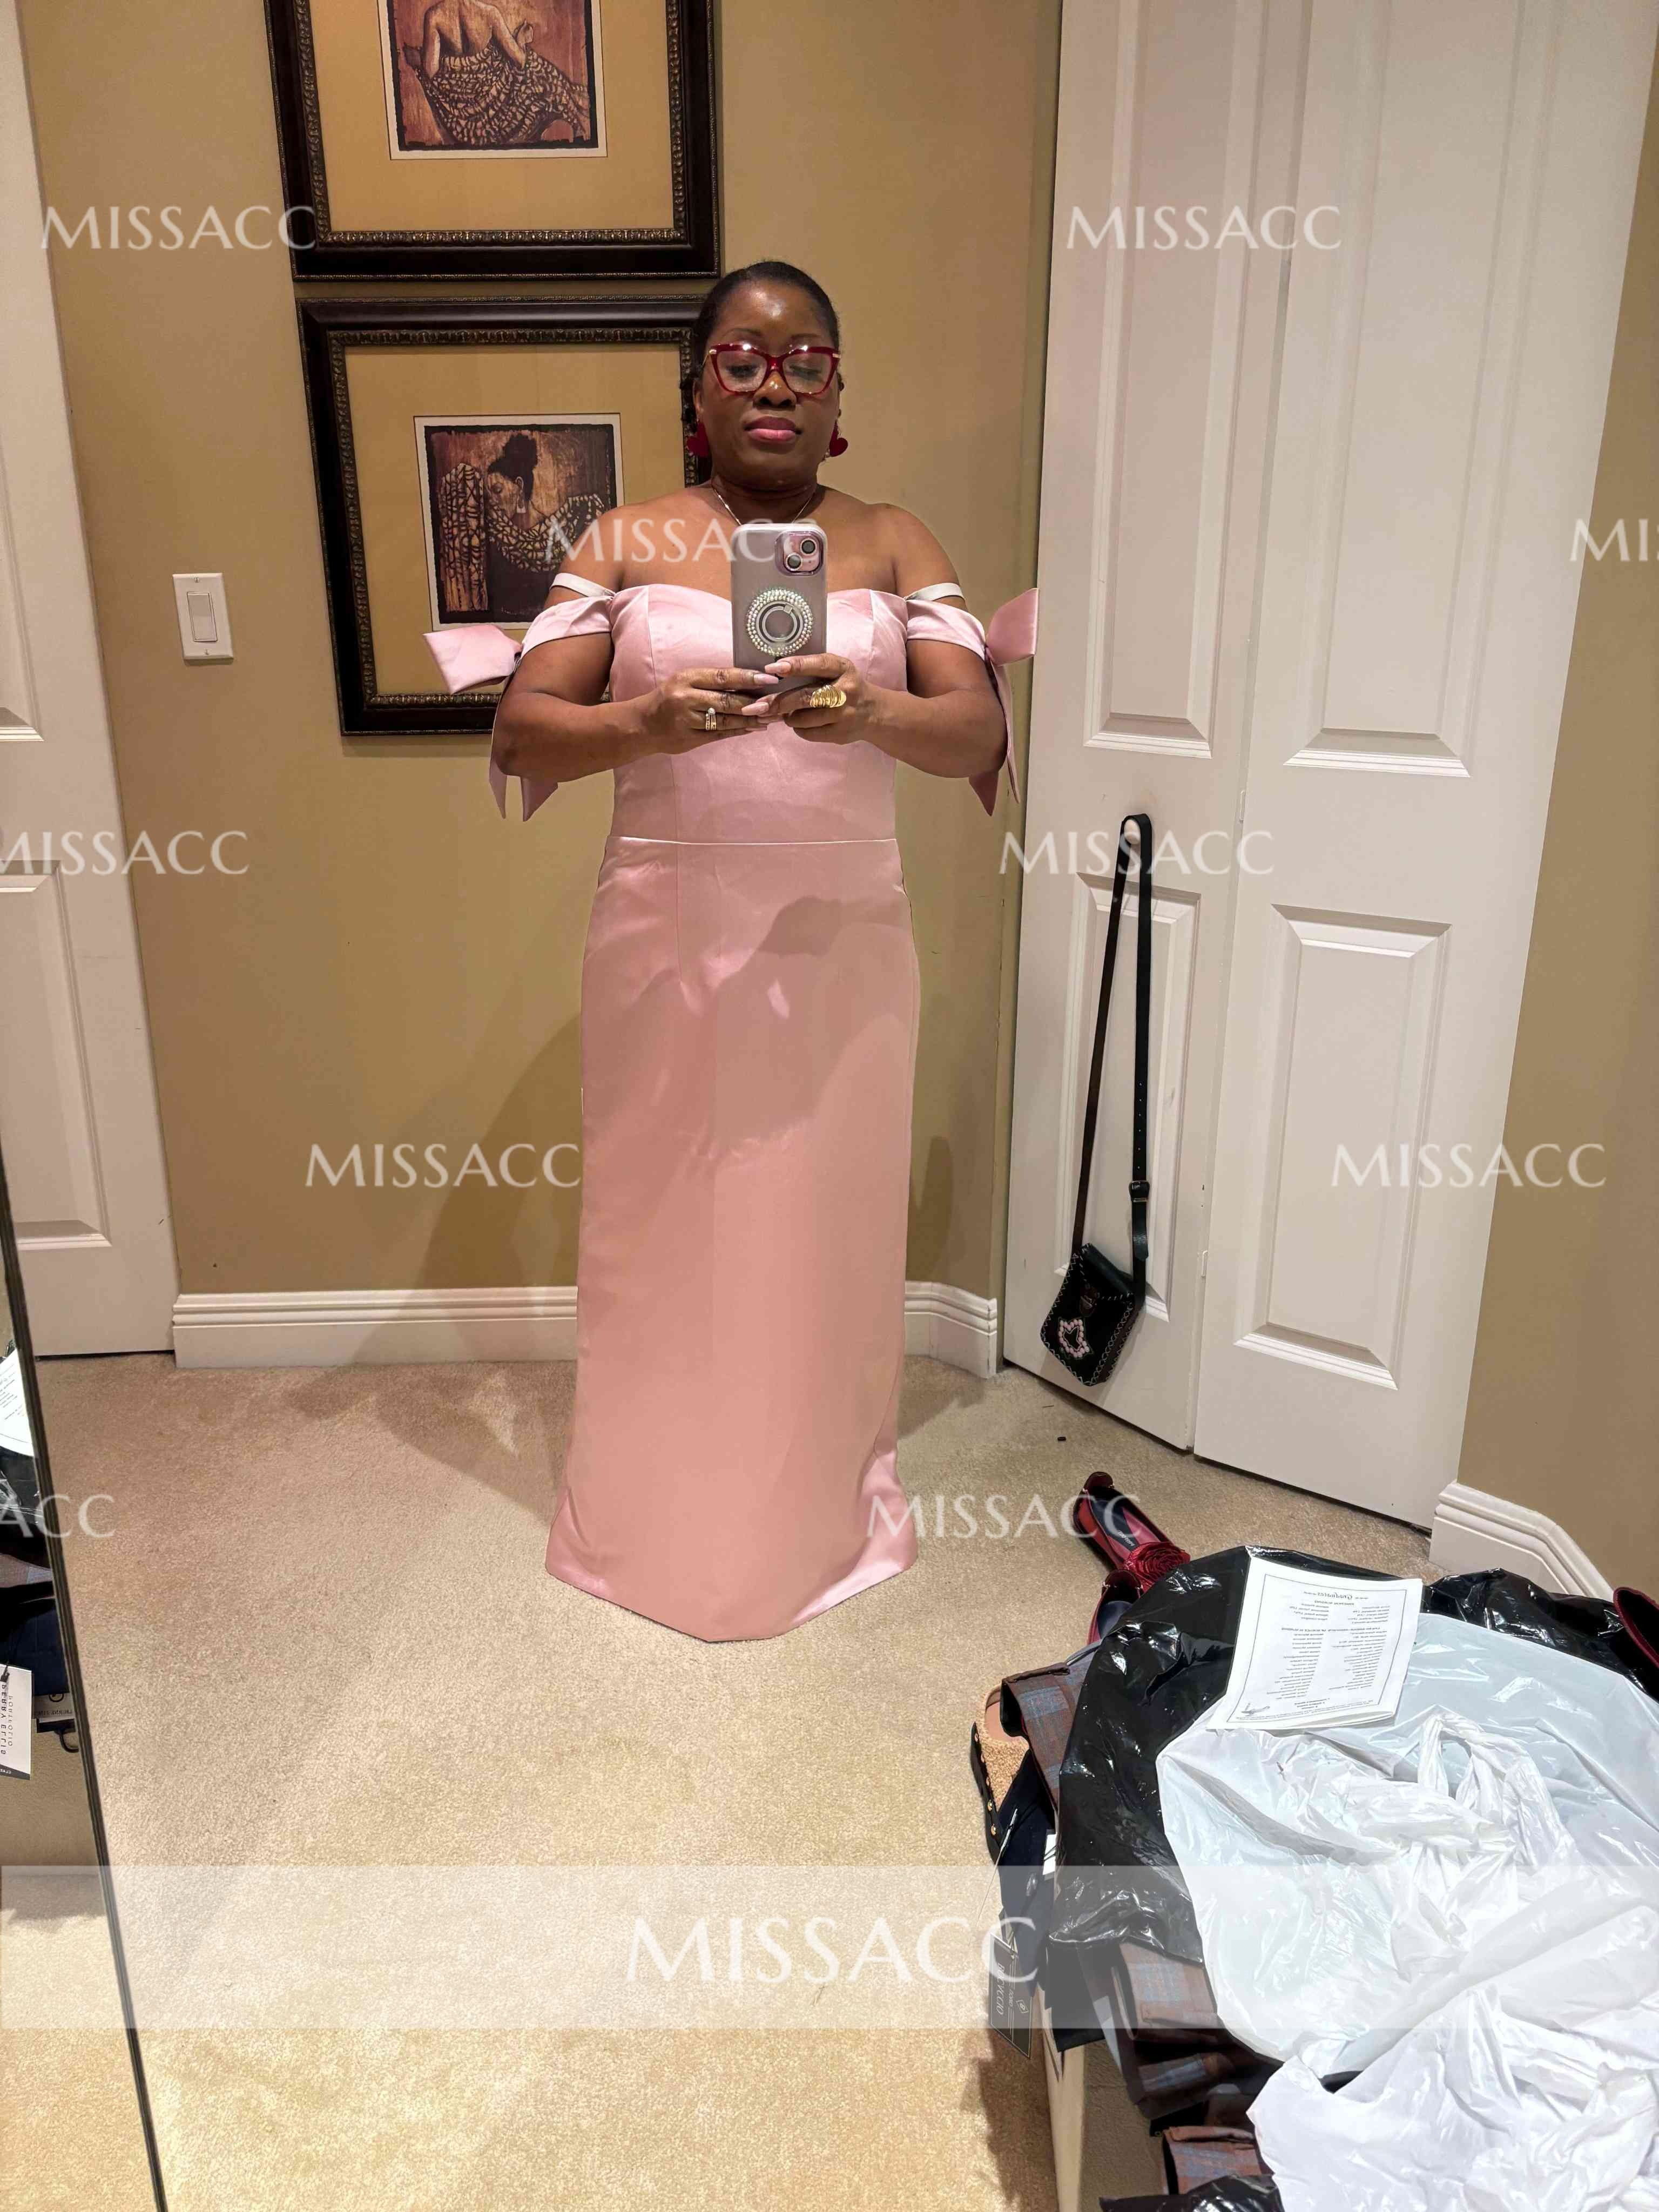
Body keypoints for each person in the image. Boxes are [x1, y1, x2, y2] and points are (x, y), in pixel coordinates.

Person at [490, 259, 1016, 1640]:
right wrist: (646, 725)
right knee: (663, 1221)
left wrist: (873, 715)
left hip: (843, 945)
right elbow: (524, 728)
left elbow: (976, 727)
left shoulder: (895, 538)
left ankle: (812, 1516)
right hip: (667, 938)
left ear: (840, 393)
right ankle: (657, 1521)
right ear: (697, 389)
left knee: (823, 1223)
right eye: (740, 357)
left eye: (804, 358)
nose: (773, 382)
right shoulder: (623, 538)